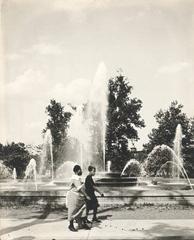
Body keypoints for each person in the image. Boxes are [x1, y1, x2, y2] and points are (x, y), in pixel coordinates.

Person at [66, 165, 91, 231]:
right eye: (81, 170)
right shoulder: (75, 178)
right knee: (72, 210)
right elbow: (80, 189)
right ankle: (71, 225)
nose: (82, 171)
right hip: (74, 196)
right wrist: (86, 195)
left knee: (83, 208)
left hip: (79, 197)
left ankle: (82, 224)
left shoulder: (77, 177)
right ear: (78, 170)